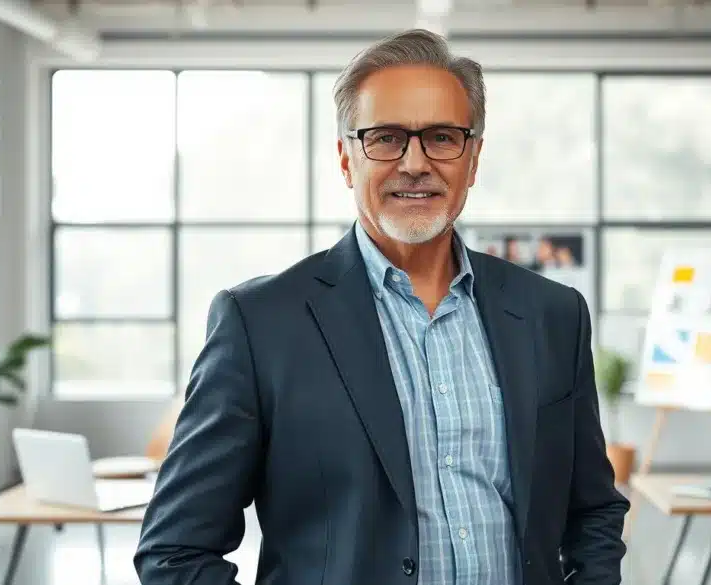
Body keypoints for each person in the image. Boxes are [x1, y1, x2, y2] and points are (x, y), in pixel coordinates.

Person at [133, 28, 629, 585]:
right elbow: (175, 552)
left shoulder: (553, 314)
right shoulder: (259, 325)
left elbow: (593, 512)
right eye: (386, 138)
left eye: (442, 137)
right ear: (347, 160)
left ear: (472, 160)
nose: (415, 163)